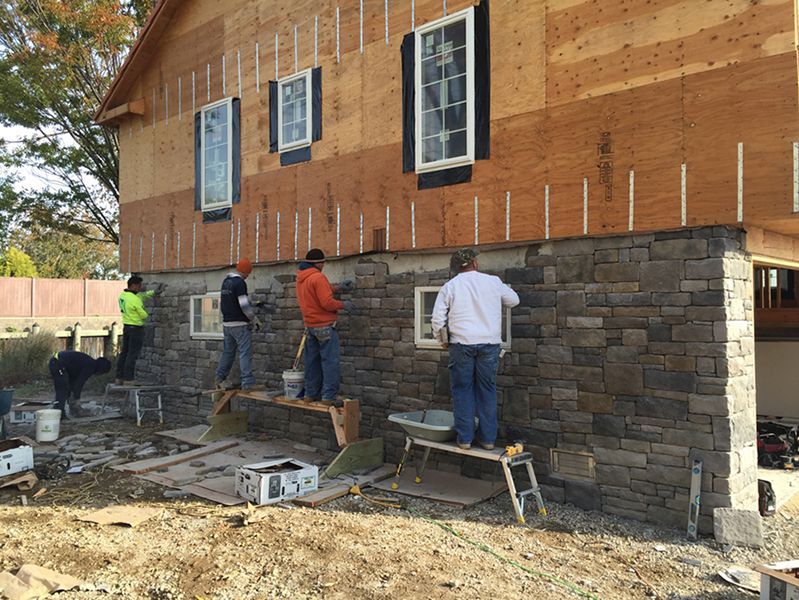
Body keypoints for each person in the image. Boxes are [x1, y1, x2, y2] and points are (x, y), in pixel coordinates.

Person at [431, 248, 519, 450]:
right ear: (475, 263)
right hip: (489, 344)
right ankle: (488, 440)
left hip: (461, 344)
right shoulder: (493, 282)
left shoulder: (450, 286)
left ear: (456, 268)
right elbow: (514, 301)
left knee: (463, 390)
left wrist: (441, 340)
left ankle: (465, 439)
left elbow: (437, 320)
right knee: (487, 390)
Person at [295, 248, 353, 402]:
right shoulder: (318, 277)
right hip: (324, 326)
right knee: (330, 362)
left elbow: (316, 291)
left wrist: (338, 288)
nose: (324, 265)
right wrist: (343, 304)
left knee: (312, 362)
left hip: (310, 327)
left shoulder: (301, 278)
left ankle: (310, 394)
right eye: (323, 263)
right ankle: (328, 396)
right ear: (319, 263)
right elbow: (326, 302)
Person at [215, 258, 263, 390]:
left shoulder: (226, 282)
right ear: (246, 272)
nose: (248, 276)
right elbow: (244, 305)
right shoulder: (240, 283)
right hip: (240, 325)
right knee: (244, 353)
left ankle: (220, 378)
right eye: (248, 273)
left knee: (228, 352)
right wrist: (254, 320)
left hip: (227, 324)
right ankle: (247, 383)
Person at [116, 275, 161, 385]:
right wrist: (145, 312)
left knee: (124, 353)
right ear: (134, 285)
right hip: (136, 328)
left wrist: (153, 293)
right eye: (139, 286)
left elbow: (142, 295)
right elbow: (144, 315)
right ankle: (129, 379)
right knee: (133, 354)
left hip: (127, 327)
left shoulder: (123, 296)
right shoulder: (135, 300)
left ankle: (119, 377)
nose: (140, 288)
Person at [49, 350, 112, 418]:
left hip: (56, 362)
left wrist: (72, 396)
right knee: (62, 389)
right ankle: (60, 414)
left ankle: (60, 411)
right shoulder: (90, 366)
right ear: (101, 370)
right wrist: (77, 400)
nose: (100, 375)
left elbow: (73, 383)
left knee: (66, 388)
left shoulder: (87, 363)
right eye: (102, 373)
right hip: (58, 363)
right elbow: (79, 385)